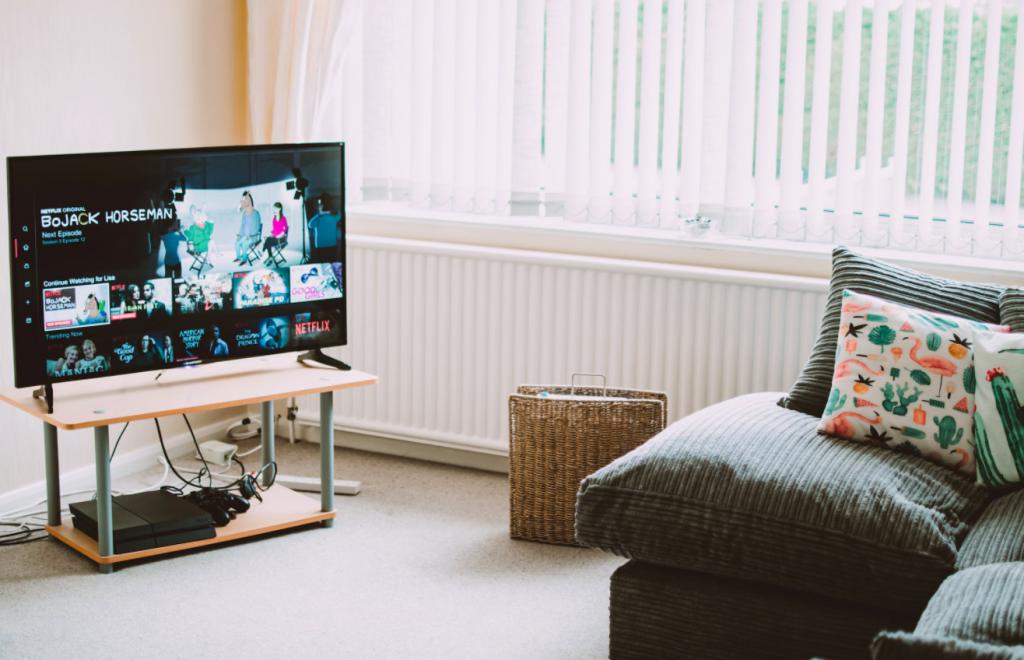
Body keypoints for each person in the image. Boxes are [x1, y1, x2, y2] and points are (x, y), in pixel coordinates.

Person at [306, 195, 339, 263]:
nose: (319, 206)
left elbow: (310, 225)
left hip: (321, 246)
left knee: (322, 263)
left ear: (322, 206)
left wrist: (318, 214)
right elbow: (340, 214)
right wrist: (329, 212)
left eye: (320, 205)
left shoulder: (319, 218)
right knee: (332, 263)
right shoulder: (334, 217)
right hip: (331, 244)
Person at [235, 191, 261, 264]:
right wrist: (240, 235)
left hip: (253, 236)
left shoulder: (256, 213)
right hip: (245, 236)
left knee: (244, 244)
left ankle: (244, 260)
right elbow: (242, 225)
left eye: (245, 200)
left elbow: (257, 227)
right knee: (237, 243)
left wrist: (250, 236)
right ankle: (238, 257)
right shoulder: (244, 214)